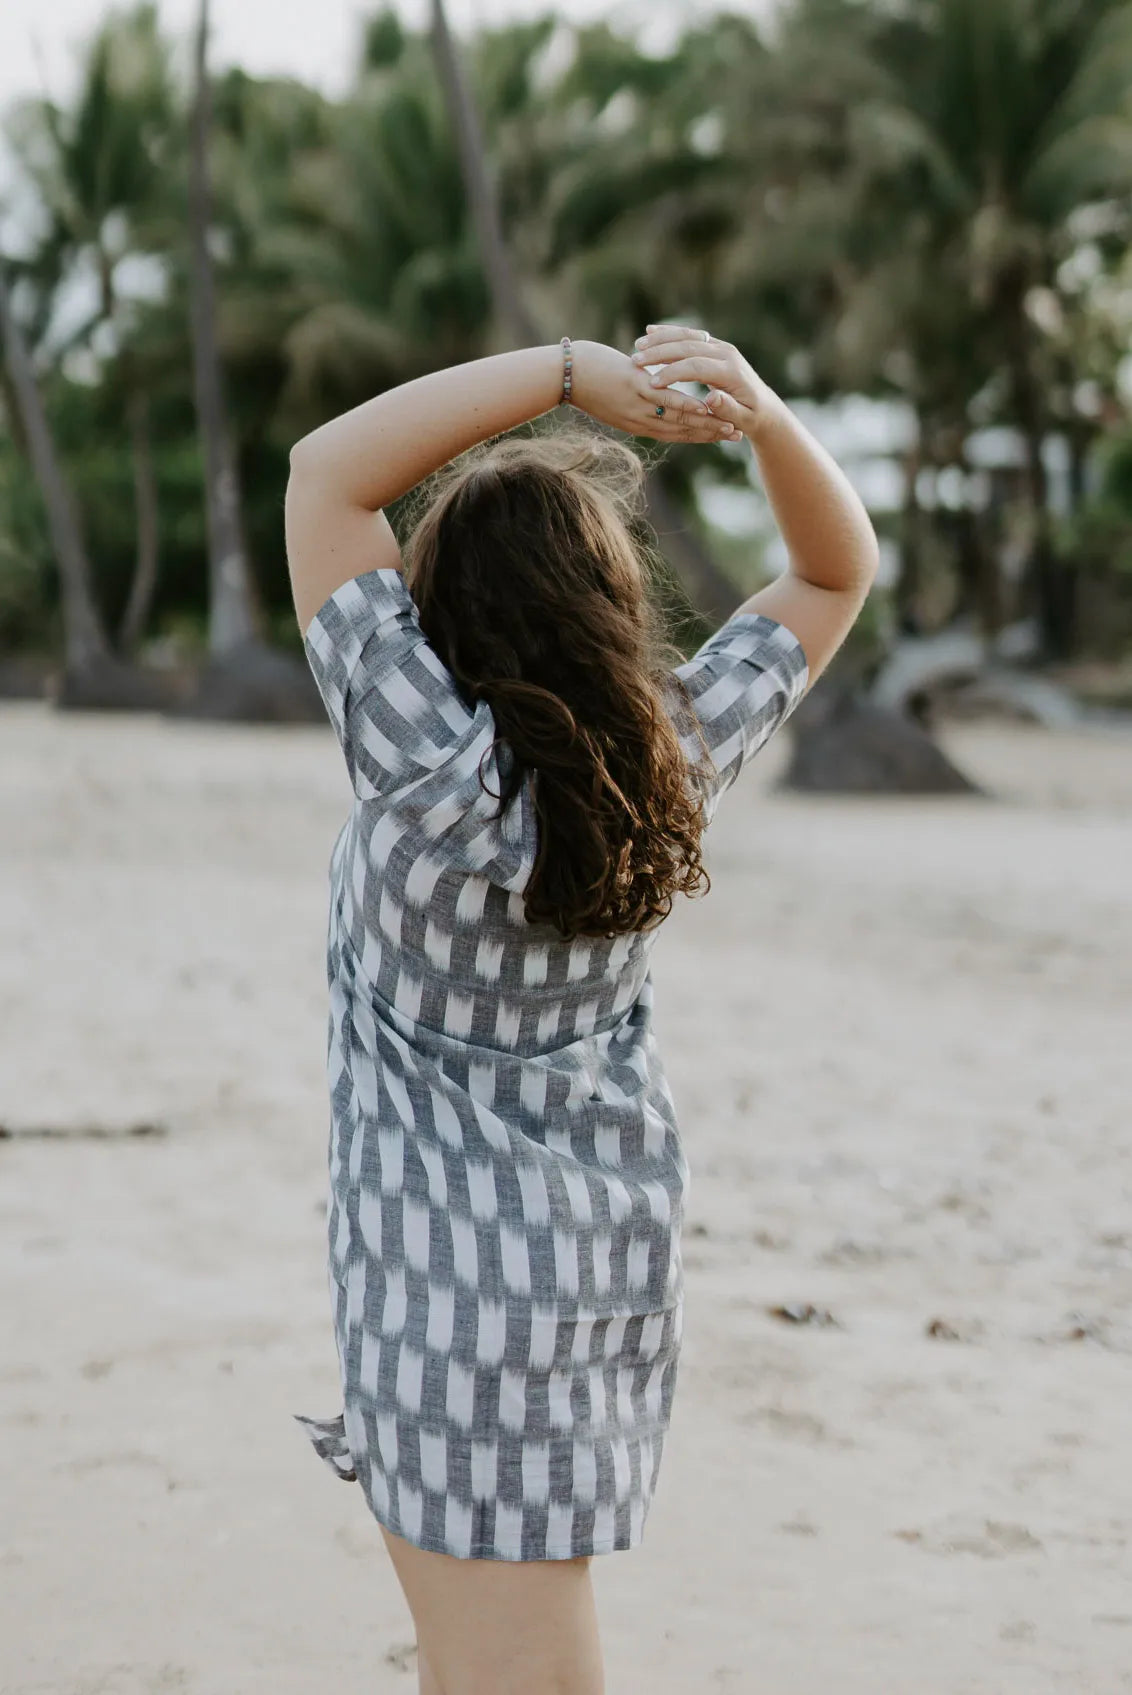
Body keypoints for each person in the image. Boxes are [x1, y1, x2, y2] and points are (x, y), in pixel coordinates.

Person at [284, 326, 878, 1695]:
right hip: (596, 1282)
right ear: (609, 606)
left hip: (445, 1303)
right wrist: (765, 413)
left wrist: (562, 371)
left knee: (518, 1679)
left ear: (437, 610)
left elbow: (327, 476)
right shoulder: (664, 761)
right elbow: (836, 570)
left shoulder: (421, 768)